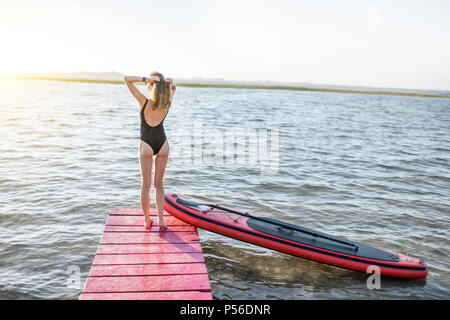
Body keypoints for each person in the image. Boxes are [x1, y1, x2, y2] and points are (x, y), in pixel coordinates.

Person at [124, 71, 176, 230]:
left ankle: (147, 221)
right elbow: (173, 86)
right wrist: (168, 83)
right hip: (163, 144)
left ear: (151, 85)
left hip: (146, 144)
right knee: (159, 185)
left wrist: (145, 78)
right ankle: (161, 221)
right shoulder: (167, 103)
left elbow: (127, 79)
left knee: (145, 185)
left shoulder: (144, 102)